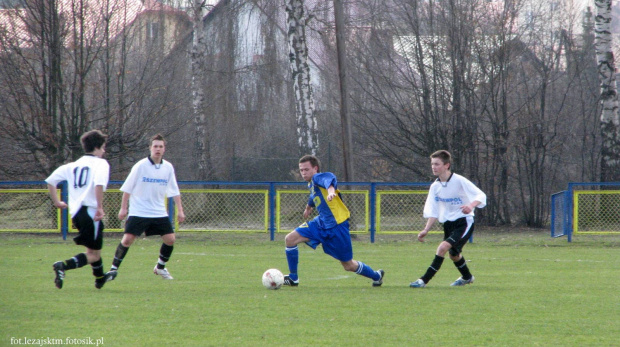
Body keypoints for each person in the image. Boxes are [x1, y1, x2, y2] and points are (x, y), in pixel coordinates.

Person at [283, 155, 384, 287]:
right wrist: (308, 208)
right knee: (290, 239)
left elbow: (329, 180)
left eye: (306, 169)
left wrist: (331, 191)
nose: (303, 173)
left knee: (348, 265)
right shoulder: (312, 184)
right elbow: (314, 196)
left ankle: (376, 276)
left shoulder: (319, 177)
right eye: (301, 170)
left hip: (337, 226)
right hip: (321, 223)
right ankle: (293, 278)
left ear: (315, 168)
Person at [105, 134, 185, 282]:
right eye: (155, 146)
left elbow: (174, 190)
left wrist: (180, 210)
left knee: (170, 239)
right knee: (127, 239)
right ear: (150, 148)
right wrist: (123, 208)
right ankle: (113, 270)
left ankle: (160, 267)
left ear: (164, 149)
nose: (158, 149)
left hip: (158, 211)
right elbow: (127, 188)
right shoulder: (140, 166)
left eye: (161, 146)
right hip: (139, 210)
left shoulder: (168, 167)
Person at [410, 150, 486, 288]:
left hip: (464, 221)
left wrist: (470, 205)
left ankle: (423, 280)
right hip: (448, 223)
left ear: (446, 165)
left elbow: (481, 196)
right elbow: (433, 210)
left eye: (437, 164)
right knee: (453, 254)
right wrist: (426, 230)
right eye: (432, 164)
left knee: (442, 248)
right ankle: (467, 277)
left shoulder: (459, 180)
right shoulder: (435, 186)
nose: (434, 167)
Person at [46, 130, 110, 289]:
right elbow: (99, 185)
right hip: (90, 211)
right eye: (103, 147)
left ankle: (100, 278)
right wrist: (100, 208)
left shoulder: (72, 165)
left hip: (76, 214)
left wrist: (57, 202)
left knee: (93, 249)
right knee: (93, 255)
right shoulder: (101, 163)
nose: (104, 150)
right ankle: (63, 266)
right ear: (97, 146)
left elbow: (51, 181)